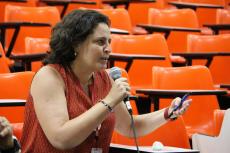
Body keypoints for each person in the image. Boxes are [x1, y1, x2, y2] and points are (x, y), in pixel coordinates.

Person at [20, 9, 191, 153]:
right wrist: (109, 101)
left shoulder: (105, 79)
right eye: (100, 42)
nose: (108, 49)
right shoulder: (50, 77)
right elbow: (61, 139)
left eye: (109, 42)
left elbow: (130, 127)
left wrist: (168, 113)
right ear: (75, 44)